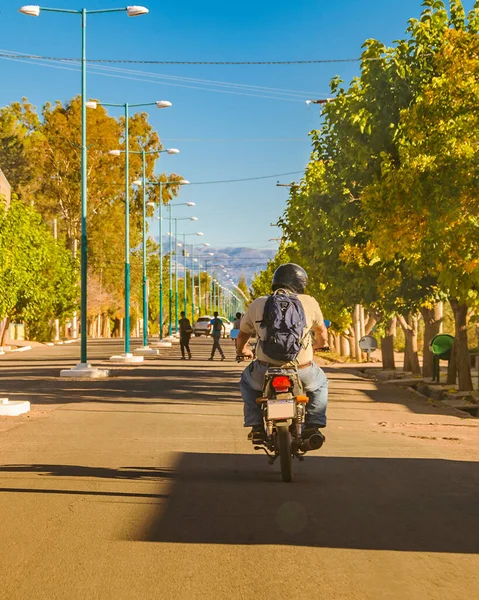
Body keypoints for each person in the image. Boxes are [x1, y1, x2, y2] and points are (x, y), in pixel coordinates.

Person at [236, 263, 329, 444]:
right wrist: (320, 345)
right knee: (320, 384)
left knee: (246, 382)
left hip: (265, 370)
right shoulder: (309, 301)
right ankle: (313, 426)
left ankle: (256, 428)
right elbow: (322, 333)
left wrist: (242, 351)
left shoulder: (259, 303)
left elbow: (242, 336)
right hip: (301, 369)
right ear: (300, 283)